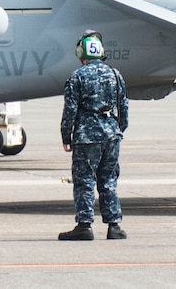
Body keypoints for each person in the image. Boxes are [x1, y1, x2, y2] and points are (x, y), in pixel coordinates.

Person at [59, 31, 129, 241]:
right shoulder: (115, 75)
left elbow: (70, 110)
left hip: (86, 137)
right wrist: (118, 129)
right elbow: (123, 106)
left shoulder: (77, 76)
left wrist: (66, 136)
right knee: (108, 179)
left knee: (84, 180)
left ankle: (85, 225)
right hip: (111, 134)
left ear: (81, 52)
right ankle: (114, 226)